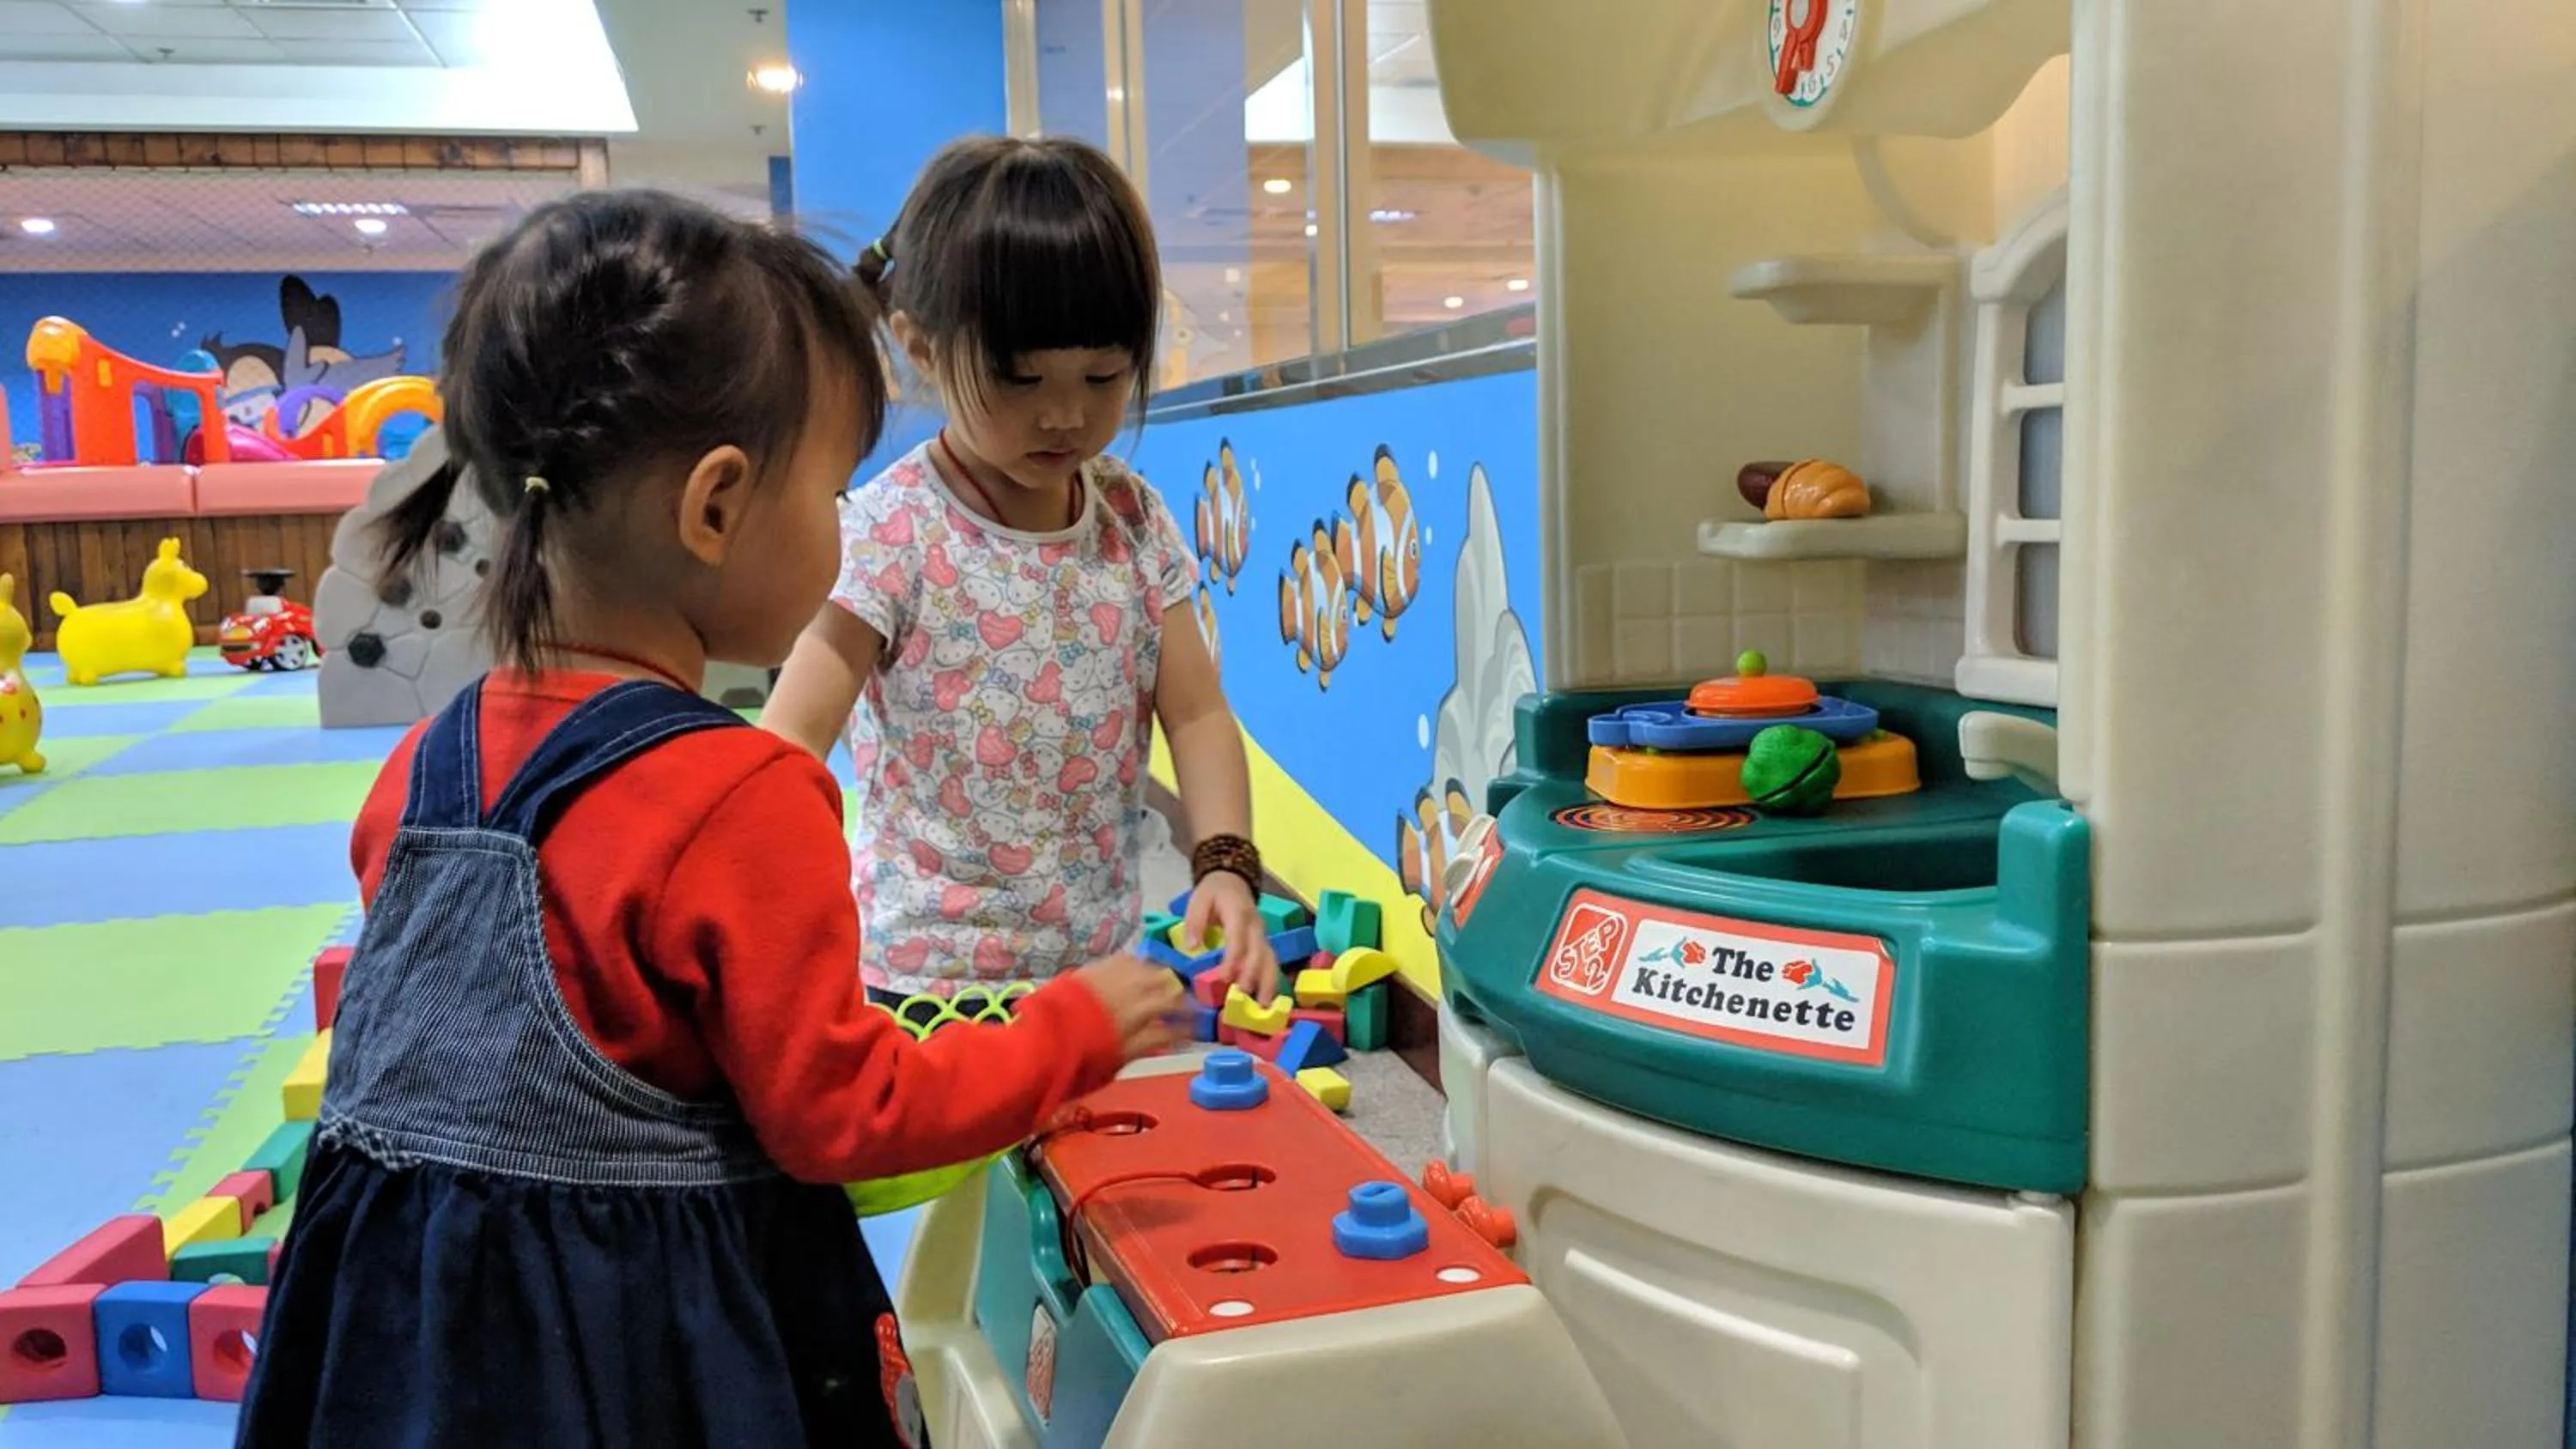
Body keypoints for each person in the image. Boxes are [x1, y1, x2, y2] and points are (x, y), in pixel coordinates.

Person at [234, 190, 1190, 1449]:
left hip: (390, 1343)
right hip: (634, 1354)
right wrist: (1068, 1029)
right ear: (717, 508)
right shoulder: (741, 799)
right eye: (835, 491)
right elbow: (846, 1119)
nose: (849, 527)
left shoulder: (426, 764)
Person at [765, 136, 1280, 1021]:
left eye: (1104, 374)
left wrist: (1226, 864)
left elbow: (1195, 712)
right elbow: (790, 741)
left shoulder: (1135, 522)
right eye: (1021, 378)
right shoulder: (891, 531)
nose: (1066, 412)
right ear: (920, 347)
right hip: (927, 982)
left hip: (1096, 977)